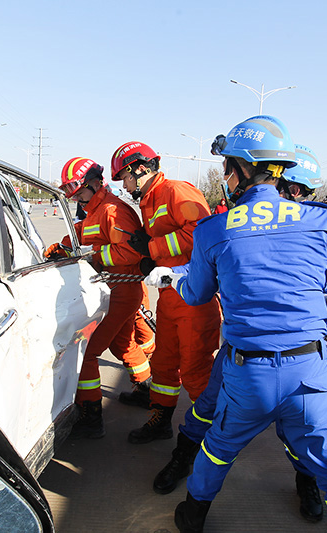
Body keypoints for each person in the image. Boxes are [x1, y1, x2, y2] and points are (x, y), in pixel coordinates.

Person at [147, 115, 327, 533]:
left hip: (246, 371)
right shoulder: (321, 221)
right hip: (311, 372)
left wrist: (171, 277)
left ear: (238, 170)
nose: (224, 177)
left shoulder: (215, 229)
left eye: (226, 168)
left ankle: (193, 515)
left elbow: (198, 293)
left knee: (219, 448)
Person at [110, 141, 221, 445]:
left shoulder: (175, 191)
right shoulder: (149, 199)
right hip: (170, 297)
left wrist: (153, 248)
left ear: (140, 169)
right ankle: (161, 420)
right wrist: (150, 257)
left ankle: (208, 436)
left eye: (126, 177)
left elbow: (202, 232)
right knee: (163, 364)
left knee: (196, 372)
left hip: (194, 298)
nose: (124, 184)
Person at [44, 157, 152, 438]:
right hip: (118, 290)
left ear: (94, 183)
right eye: (74, 195)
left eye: (79, 192)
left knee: (88, 352)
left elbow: (132, 252)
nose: (77, 198)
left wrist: (92, 256)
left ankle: (91, 417)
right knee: (123, 343)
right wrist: (63, 245)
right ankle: (145, 389)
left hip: (121, 290)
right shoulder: (94, 211)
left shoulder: (113, 211)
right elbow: (81, 233)